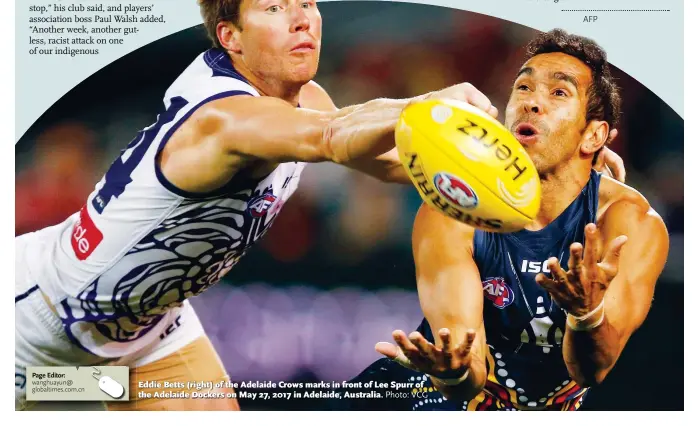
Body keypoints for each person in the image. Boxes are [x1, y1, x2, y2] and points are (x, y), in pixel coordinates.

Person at [14, 0, 623, 410]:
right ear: (231, 36)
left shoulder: (303, 96)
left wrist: (559, 175)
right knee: (55, 401)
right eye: (275, 8)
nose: (302, 19)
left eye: (306, 2)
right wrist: (426, 106)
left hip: (151, 332)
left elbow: (398, 164)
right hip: (38, 326)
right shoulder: (224, 117)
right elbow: (330, 138)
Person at [342, 29, 667, 411]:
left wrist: (585, 314)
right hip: (417, 398)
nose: (531, 102)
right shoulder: (455, 210)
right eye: (523, 87)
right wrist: (452, 371)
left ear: (594, 135)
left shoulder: (631, 222)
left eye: (558, 93)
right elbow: (468, 373)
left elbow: (593, 370)